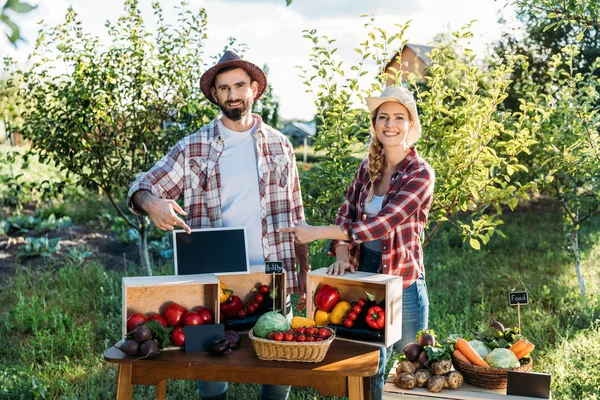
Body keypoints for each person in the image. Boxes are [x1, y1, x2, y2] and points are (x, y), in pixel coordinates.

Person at [127, 50, 310, 400]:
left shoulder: (280, 145)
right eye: (224, 88)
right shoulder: (192, 147)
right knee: (210, 369)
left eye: (239, 85)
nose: (232, 94)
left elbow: (295, 211)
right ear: (215, 95)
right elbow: (141, 186)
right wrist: (152, 204)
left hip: (272, 273)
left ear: (254, 89)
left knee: (276, 366)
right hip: (214, 276)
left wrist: (302, 269)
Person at [279, 86, 434, 400]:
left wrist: (316, 232)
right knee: (370, 362)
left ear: (411, 125)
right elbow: (346, 212)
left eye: (399, 118)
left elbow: (381, 223)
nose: (390, 124)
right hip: (364, 275)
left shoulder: (420, 174)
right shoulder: (368, 169)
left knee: (410, 364)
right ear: (375, 124)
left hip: (402, 281)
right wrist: (341, 250)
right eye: (383, 117)